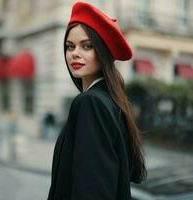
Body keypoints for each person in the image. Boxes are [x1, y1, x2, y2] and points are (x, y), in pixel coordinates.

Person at [47, 2, 147, 200]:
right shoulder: (111, 101)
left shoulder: (91, 103)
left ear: (102, 52)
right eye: (70, 46)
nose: (75, 53)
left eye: (87, 46)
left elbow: (92, 191)